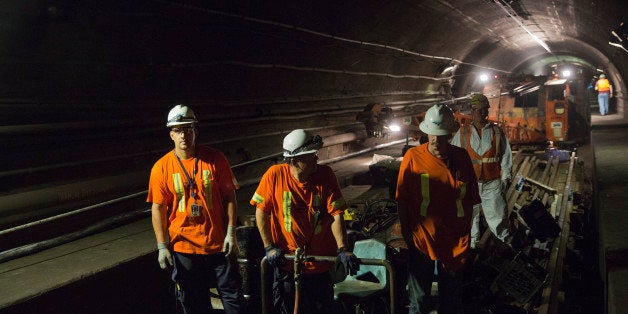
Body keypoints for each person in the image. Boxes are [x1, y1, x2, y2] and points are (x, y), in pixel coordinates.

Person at [148, 104, 243, 313]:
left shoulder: (216, 159)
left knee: (232, 297)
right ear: (171, 134)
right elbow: (158, 208)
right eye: (179, 130)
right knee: (194, 302)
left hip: (218, 244)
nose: (184, 135)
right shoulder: (161, 168)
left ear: (195, 131)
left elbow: (229, 196)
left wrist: (231, 233)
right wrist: (162, 246)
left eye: (188, 129)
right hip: (185, 248)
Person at [251, 129, 359, 314]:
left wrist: (343, 248)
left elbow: (337, 214)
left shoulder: (325, 175)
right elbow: (261, 212)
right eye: (310, 157)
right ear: (294, 161)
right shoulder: (274, 175)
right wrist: (269, 247)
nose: (317, 159)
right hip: (287, 264)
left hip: (319, 264)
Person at [396, 104, 480, 314]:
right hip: (422, 239)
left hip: (454, 240)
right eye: (432, 134)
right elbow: (402, 199)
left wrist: (466, 234)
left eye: (441, 135)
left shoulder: (461, 158)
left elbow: (469, 200)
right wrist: (408, 235)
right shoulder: (413, 157)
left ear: (450, 134)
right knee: (419, 299)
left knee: (451, 299)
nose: (435, 140)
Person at [451, 93, 514, 250]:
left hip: (492, 184)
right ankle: (470, 250)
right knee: (469, 219)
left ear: (487, 111)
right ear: (472, 112)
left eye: (484, 109)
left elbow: (506, 157)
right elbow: (452, 159)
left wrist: (505, 180)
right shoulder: (462, 133)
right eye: (477, 110)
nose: (481, 113)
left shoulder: (497, 132)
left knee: (498, 217)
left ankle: (503, 247)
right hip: (469, 185)